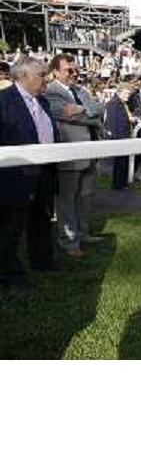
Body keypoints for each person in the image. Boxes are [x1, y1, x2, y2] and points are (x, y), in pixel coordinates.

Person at [0, 57, 59, 287]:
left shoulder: (42, 102)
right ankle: (8, 273)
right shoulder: (4, 102)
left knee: (42, 219)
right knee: (11, 228)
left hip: (44, 173)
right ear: (23, 76)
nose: (47, 79)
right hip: (15, 177)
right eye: (41, 75)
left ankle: (42, 260)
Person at [44, 53, 103, 258]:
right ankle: (69, 242)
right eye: (69, 70)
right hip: (69, 154)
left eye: (76, 70)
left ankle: (82, 233)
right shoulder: (50, 91)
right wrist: (91, 115)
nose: (74, 73)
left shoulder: (80, 89)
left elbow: (99, 108)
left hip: (90, 152)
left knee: (85, 196)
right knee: (67, 200)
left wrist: (83, 111)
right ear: (55, 72)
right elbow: (64, 113)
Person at [104, 83, 136, 190]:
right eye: (127, 93)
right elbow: (112, 123)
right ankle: (118, 184)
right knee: (119, 162)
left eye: (129, 94)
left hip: (124, 136)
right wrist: (117, 139)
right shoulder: (114, 103)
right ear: (120, 92)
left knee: (123, 161)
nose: (128, 96)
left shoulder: (121, 103)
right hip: (120, 137)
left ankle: (122, 183)